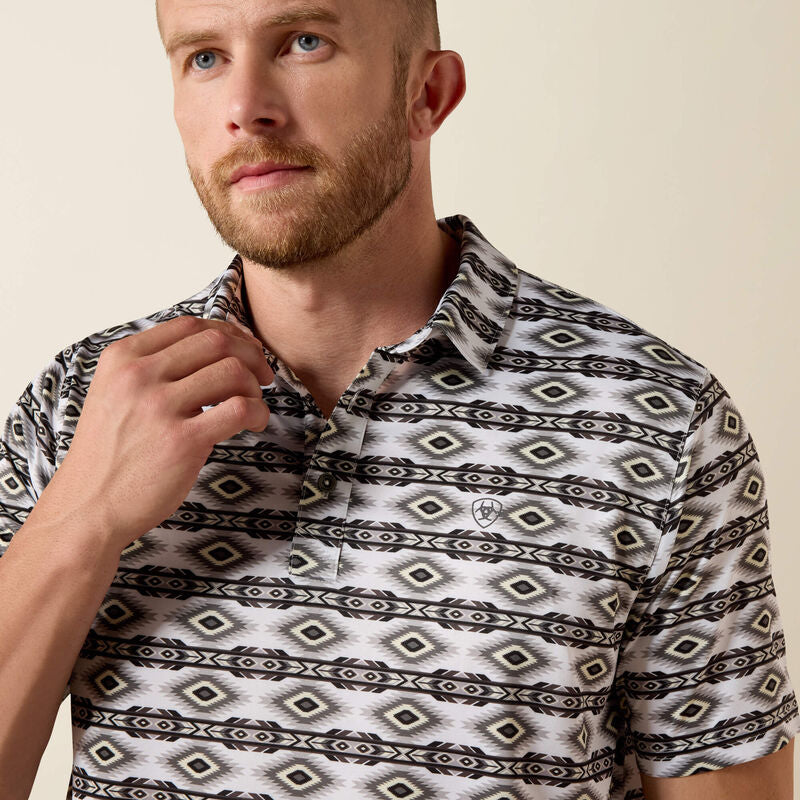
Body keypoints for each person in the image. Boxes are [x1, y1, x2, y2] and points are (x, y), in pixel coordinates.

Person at [0, 1, 796, 798]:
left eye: (304, 41)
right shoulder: (80, 406)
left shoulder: (657, 421)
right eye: (204, 58)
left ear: (428, 94)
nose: (245, 108)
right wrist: (84, 519)